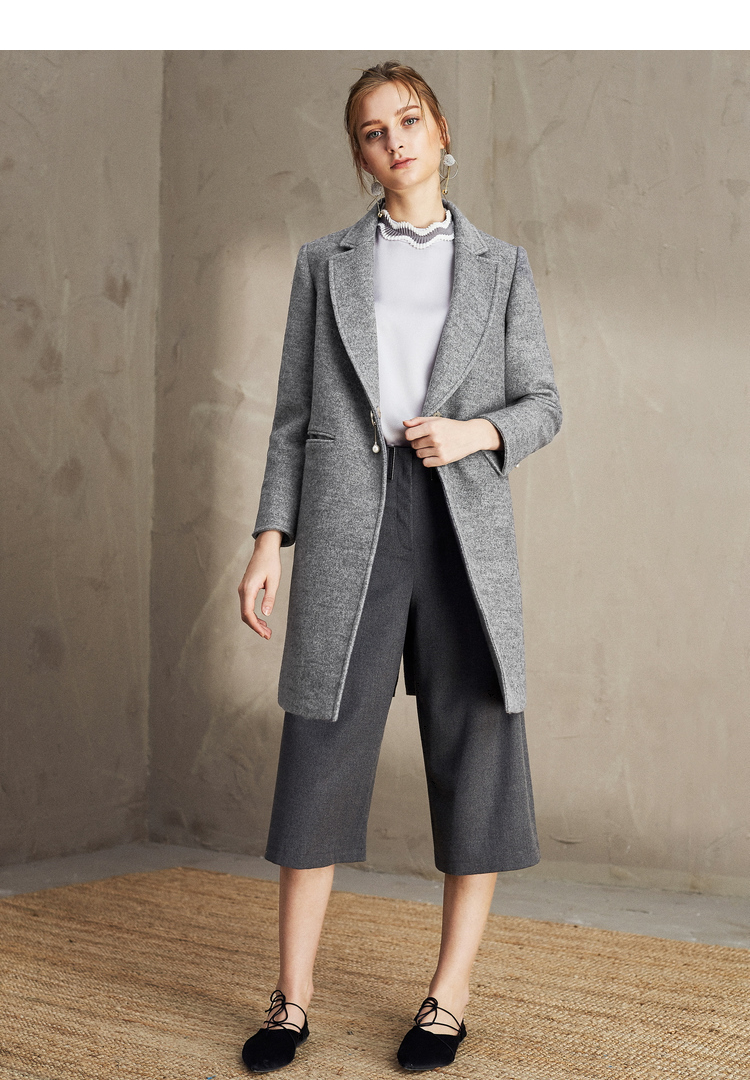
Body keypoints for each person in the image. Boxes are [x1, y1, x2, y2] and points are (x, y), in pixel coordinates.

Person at [237, 60, 562, 1074]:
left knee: (477, 749)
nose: (395, 141)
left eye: (409, 120)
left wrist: (473, 434)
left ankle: (447, 998)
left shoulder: (502, 266)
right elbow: (292, 419)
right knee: (319, 751)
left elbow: (544, 404)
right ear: (361, 154)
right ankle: (291, 1001)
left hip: (461, 529)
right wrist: (269, 539)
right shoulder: (323, 264)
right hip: (350, 524)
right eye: (374, 132)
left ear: (440, 129)